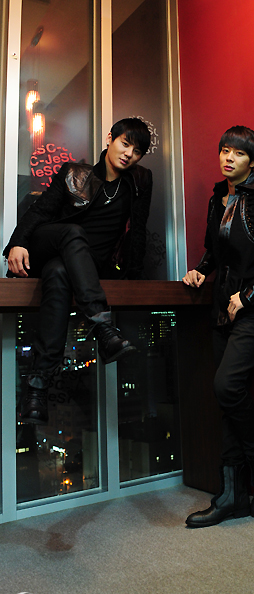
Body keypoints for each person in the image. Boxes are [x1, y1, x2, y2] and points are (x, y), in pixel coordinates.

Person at [182, 126, 254, 528]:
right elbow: (213, 251)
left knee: (227, 386)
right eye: (224, 150)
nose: (228, 158)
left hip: (253, 311)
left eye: (237, 153)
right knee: (225, 399)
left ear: (253, 160)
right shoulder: (218, 199)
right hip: (221, 310)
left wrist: (249, 295)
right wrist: (200, 271)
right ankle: (231, 493)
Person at [4, 118, 152, 424]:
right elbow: (40, 211)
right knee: (72, 233)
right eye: (125, 144)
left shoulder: (139, 182)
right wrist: (17, 244)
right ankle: (101, 325)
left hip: (83, 263)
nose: (129, 154)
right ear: (110, 138)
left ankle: (37, 389)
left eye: (137, 151)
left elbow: (138, 232)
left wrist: (134, 280)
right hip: (52, 241)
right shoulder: (74, 173)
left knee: (59, 273)